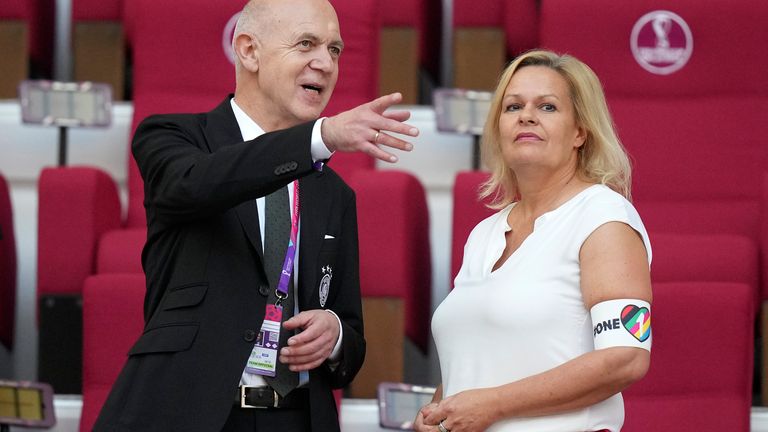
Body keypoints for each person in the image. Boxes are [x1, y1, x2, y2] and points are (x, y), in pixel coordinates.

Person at [93, 0, 418, 431]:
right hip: (189, 413)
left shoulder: (334, 193)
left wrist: (335, 334)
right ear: (248, 51)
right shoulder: (175, 138)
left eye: (335, 50)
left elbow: (351, 341)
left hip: (297, 417)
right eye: (307, 44)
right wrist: (318, 138)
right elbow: (195, 184)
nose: (325, 63)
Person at [416, 50, 652, 432]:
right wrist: (437, 410)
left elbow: (626, 357)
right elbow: (479, 364)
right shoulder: (483, 234)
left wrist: (493, 405)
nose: (526, 115)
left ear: (580, 132)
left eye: (547, 106)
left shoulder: (603, 216)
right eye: (512, 107)